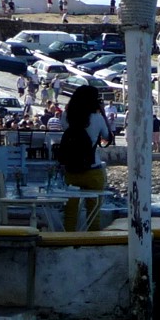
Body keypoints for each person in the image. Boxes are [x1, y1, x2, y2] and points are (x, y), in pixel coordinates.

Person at [60, 86, 112, 231]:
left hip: (72, 170)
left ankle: (68, 242)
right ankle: (92, 242)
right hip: (93, 170)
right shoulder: (97, 118)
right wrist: (102, 112)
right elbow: (107, 137)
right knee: (93, 213)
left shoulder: (67, 116)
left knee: (70, 212)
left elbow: (66, 131)